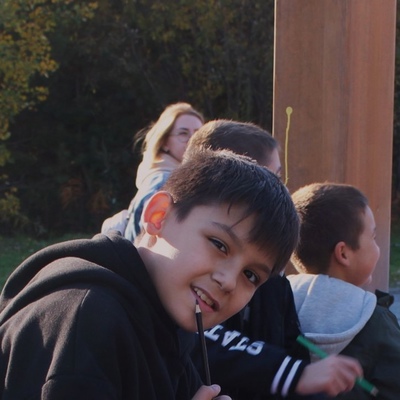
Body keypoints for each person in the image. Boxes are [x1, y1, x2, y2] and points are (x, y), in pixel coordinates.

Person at [0, 149, 304, 399]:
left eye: (250, 275)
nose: (228, 281)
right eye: (219, 244)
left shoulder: (169, 328)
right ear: (158, 215)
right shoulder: (87, 320)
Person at [184, 122, 362, 400]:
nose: (283, 192)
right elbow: (201, 337)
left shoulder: (273, 279)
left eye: (251, 275)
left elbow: (290, 343)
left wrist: (303, 376)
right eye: (275, 178)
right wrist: (292, 373)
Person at [288, 182, 400, 399]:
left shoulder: (276, 306)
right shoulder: (376, 322)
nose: (377, 247)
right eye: (373, 237)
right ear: (344, 253)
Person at [101, 102, 204, 240]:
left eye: (198, 134)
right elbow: (146, 241)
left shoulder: (174, 177)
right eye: (183, 133)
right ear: (165, 142)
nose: (192, 140)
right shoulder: (164, 182)